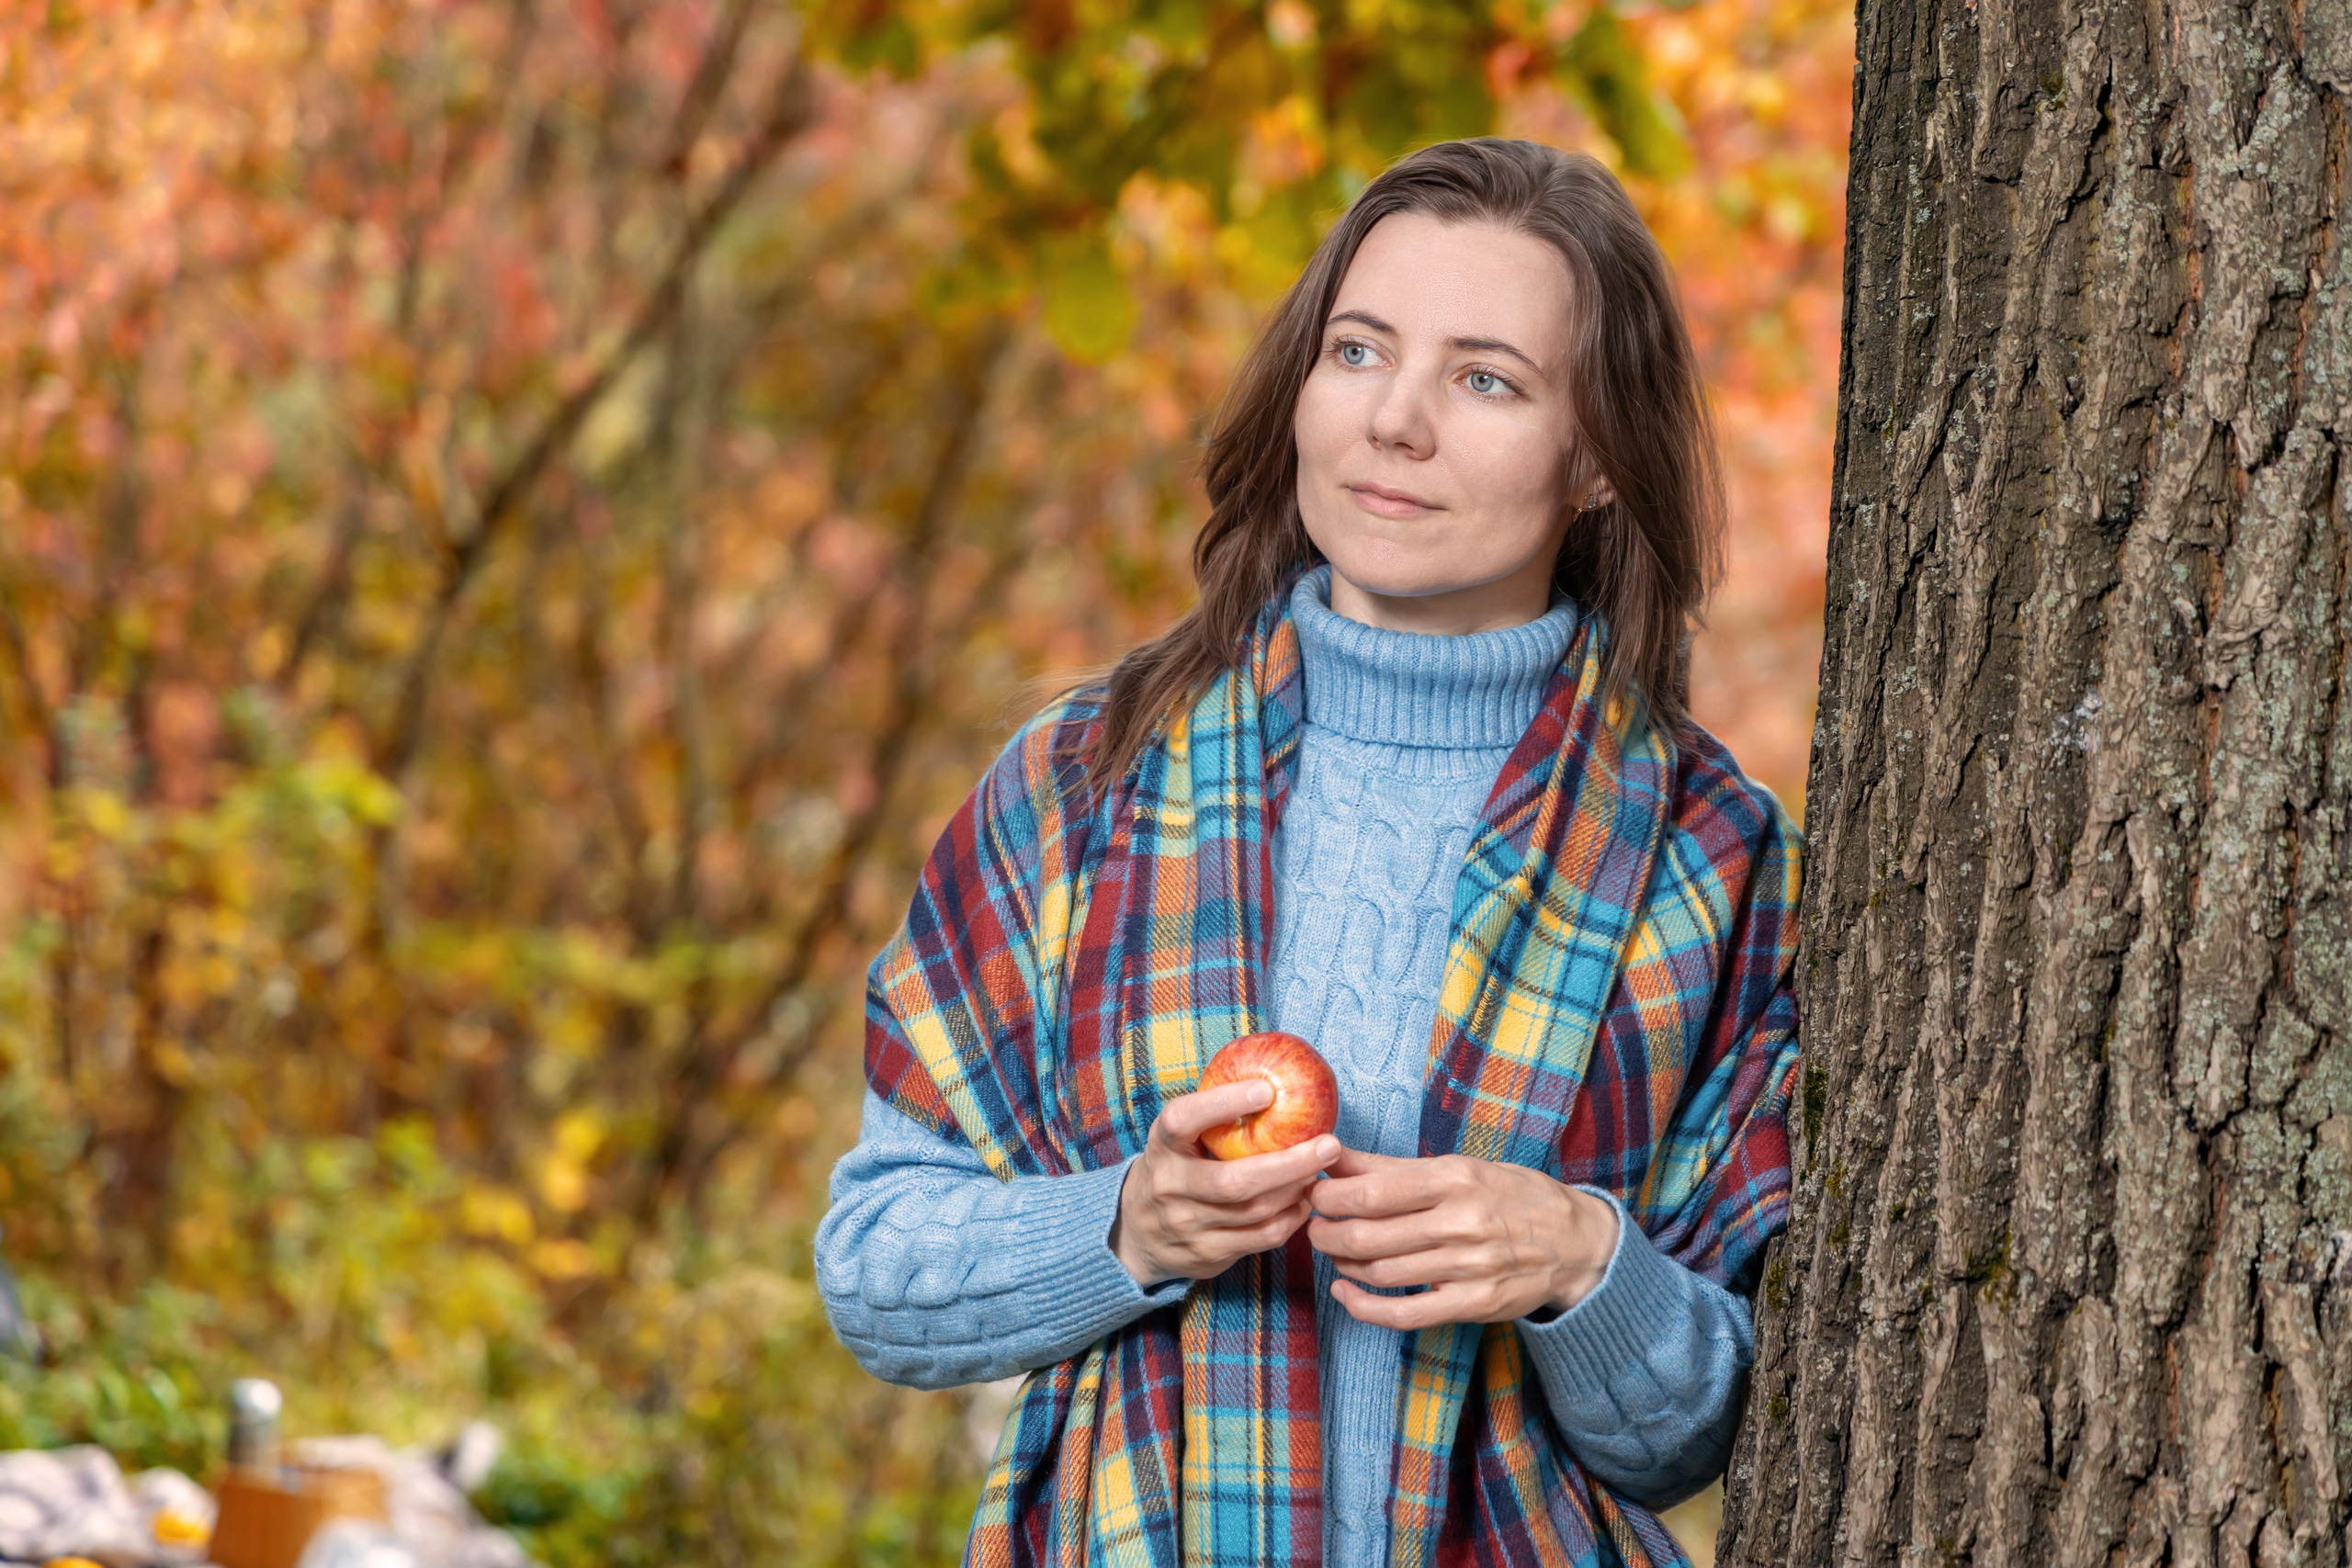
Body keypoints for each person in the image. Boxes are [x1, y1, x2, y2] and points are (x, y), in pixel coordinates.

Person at [815, 137, 1801, 1568]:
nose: (1394, 421)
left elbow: (1698, 1437)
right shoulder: (1086, 783)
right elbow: (875, 1273)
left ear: (1593, 457)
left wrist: (1579, 1263)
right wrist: (1130, 1229)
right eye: (1357, 352)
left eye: (1486, 380)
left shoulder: (1705, 855)